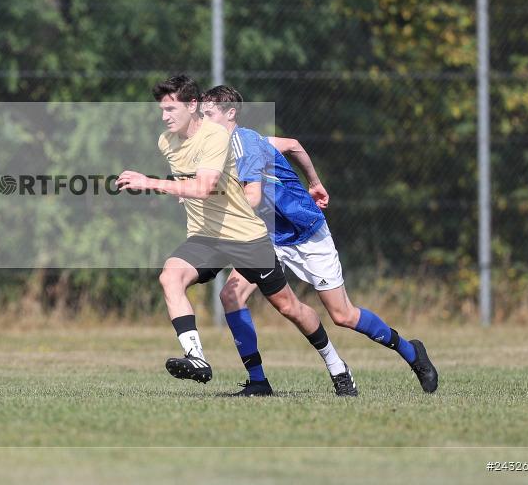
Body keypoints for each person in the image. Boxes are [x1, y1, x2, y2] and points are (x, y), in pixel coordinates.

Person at [116, 74, 356, 397]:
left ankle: (336, 365)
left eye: (171, 109)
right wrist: (181, 189)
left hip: (245, 236)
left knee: (289, 307)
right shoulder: (166, 141)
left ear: (192, 105)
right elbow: (191, 181)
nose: (164, 116)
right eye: (161, 109)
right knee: (170, 276)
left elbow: (204, 187)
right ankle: (199, 358)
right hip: (206, 236)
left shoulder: (215, 135)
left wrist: (151, 183)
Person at [199, 85, 439, 393]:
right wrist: (314, 182)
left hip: (306, 232)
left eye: (209, 114)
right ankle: (258, 382)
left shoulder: (245, 142)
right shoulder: (232, 145)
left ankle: (411, 352)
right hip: (268, 236)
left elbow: (254, 195)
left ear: (230, 114)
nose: (203, 122)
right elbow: (294, 145)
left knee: (343, 315)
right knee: (231, 297)